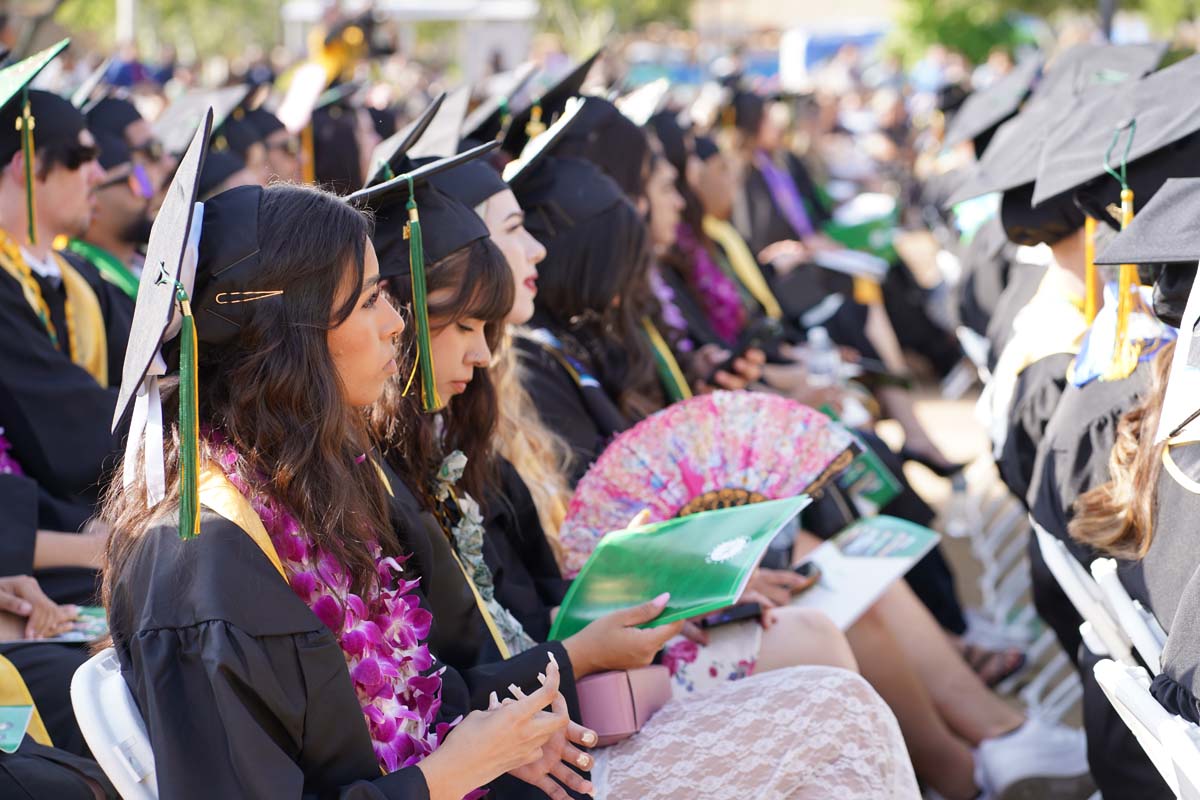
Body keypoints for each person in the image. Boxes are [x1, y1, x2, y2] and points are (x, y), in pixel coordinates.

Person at [0, 45, 119, 608]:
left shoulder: (79, 275)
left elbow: (150, 359)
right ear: (28, 165)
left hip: (77, 525)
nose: (100, 172)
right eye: (80, 155)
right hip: (48, 546)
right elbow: (73, 433)